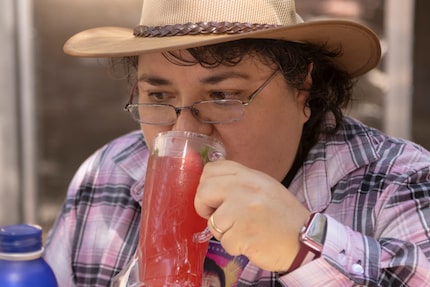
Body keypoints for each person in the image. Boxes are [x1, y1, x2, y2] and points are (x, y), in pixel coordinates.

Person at [43, 0, 430, 286]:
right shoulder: (109, 174)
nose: (185, 133)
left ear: (303, 90)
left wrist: (304, 249)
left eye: (223, 96)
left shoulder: (398, 182)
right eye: (159, 98)